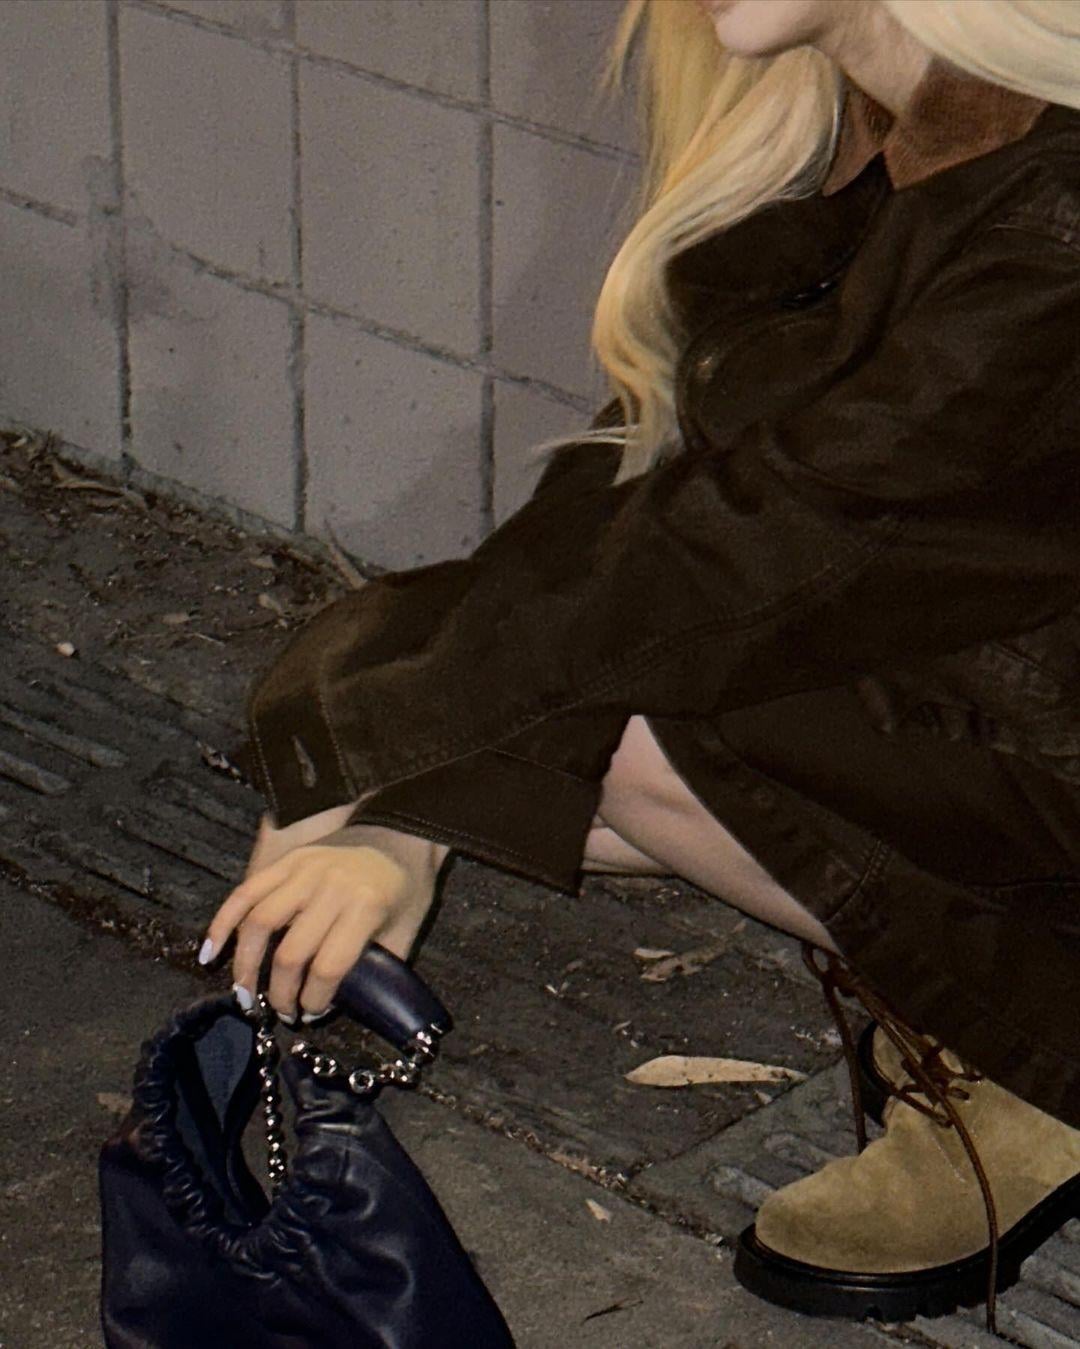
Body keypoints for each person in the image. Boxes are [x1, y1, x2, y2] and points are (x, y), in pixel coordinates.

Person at [198, 0, 1080, 1333]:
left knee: (631, 737)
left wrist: (402, 780)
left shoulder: (1049, 205)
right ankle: (987, 1018)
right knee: (547, 739)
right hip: (989, 699)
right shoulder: (844, 133)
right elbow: (642, 491)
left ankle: (1035, 1051)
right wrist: (393, 792)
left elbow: (750, 557)